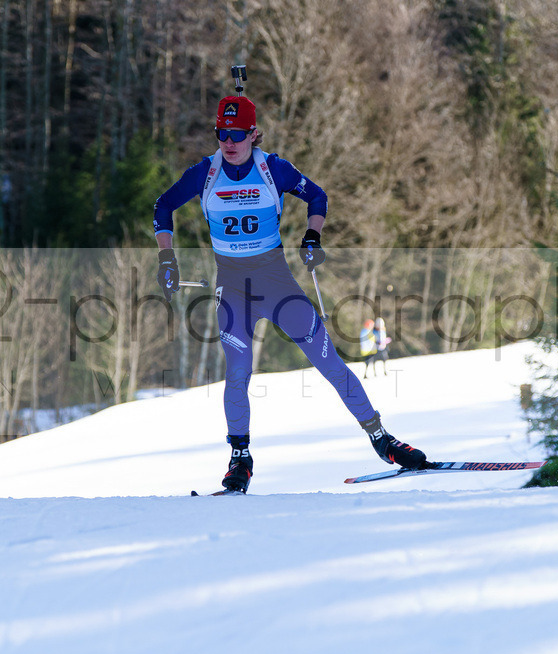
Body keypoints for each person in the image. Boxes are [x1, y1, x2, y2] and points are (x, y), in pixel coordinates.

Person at [152, 92, 429, 492]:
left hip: (277, 284)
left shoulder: (273, 169)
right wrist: (167, 258)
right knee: (238, 371)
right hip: (234, 289)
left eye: (236, 134)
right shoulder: (205, 174)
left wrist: (312, 236)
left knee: (329, 362)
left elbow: (318, 196)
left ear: (253, 134)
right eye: (221, 133)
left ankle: (381, 439)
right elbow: (163, 206)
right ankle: (240, 458)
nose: (228, 142)